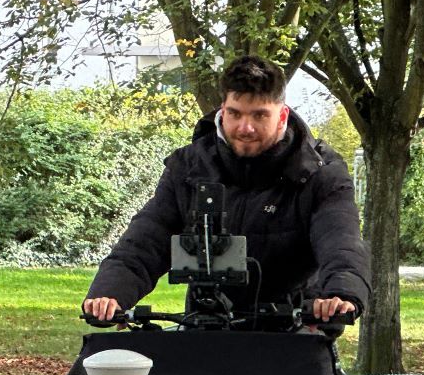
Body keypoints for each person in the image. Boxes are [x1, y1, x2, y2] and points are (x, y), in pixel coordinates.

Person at [83, 55, 370, 328]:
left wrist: (342, 294)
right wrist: (110, 293)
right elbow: (147, 238)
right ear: (223, 110)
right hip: (206, 333)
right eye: (235, 114)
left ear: (282, 115)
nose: (245, 127)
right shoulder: (187, 167)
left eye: (259, 115)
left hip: (295, 334)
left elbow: (340, 240)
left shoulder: (321, 172)